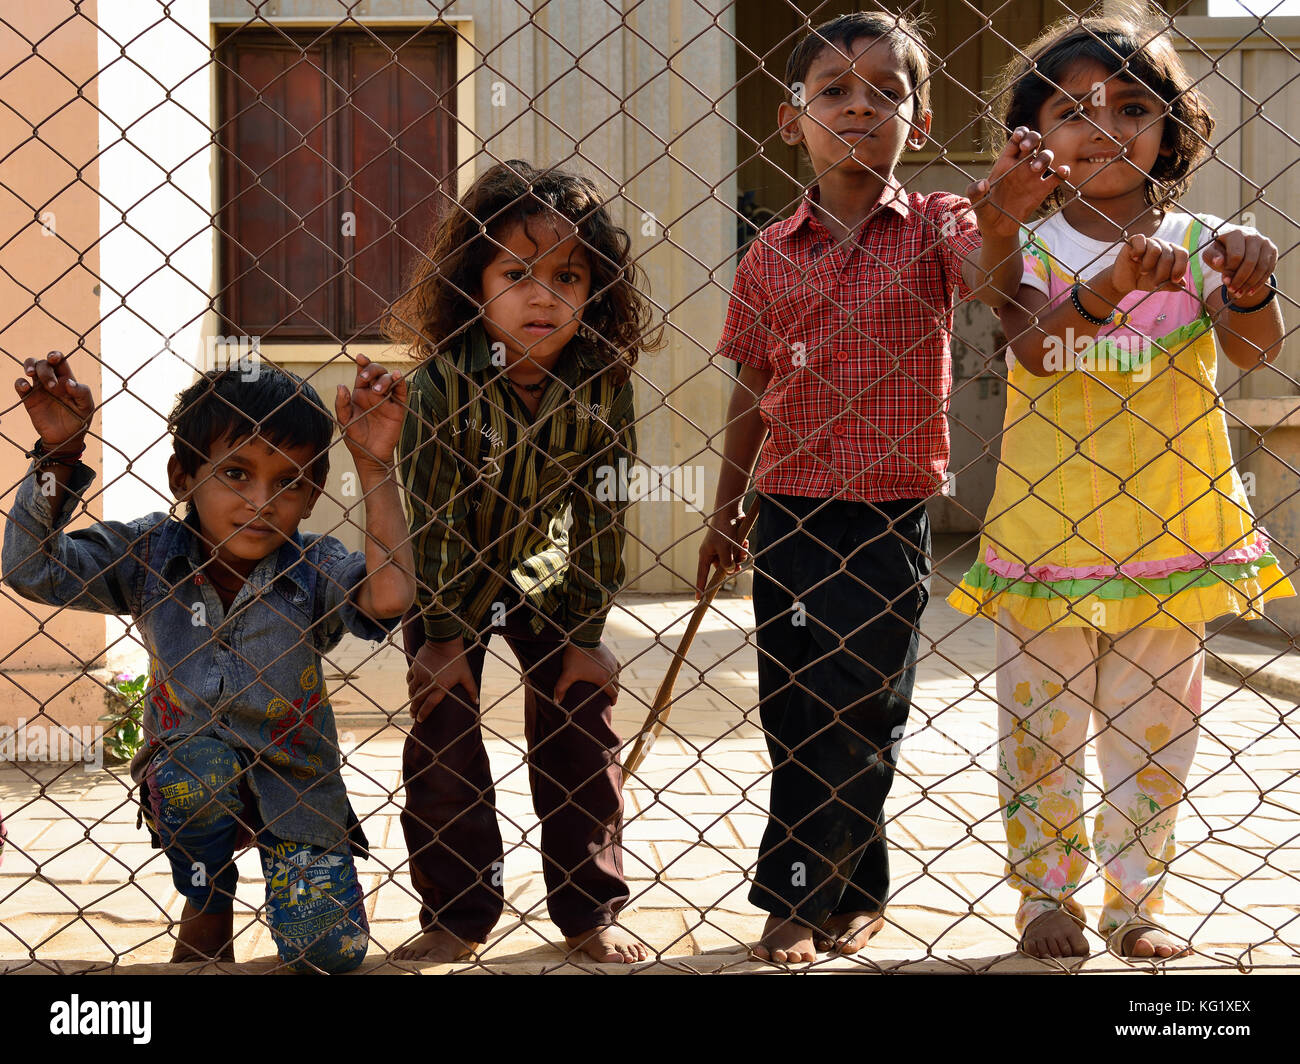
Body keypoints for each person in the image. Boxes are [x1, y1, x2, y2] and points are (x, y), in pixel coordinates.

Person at [696, 10, 1062, 965]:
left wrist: (1004, 218)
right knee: (795, 705)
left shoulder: (941, 222)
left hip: (890, 516)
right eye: (834, 91)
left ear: (921, 119)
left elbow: (990, 285)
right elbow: (750, 384)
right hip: (786, 510)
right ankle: (848, 882)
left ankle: (803, 894)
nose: (859, 107)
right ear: (792, 119)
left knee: (865, 703)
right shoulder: (770, 252)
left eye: (886, 93)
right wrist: (724, 509)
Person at [947, 10, 1294, 961]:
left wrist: (1254, 285)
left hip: (1170, 528)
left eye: (1132, 106)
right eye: (1073, 108)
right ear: (1034, 137)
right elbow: (1034, 348)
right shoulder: (1023, 240)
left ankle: (1136, 901)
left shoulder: (1204, 241)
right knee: (1041, 722)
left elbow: (1250, 350)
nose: (1103, 125)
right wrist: (1101, 293)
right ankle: (1044, 896)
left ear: (1171, 129)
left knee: (1156, 732)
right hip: (1048, 528)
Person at [2, 352, 413, 971]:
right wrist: (59, 454)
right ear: (183, 477)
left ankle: (290, 878)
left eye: (288, 483)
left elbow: (390, 597)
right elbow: (29, 569)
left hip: (296, 786)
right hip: (191, 772)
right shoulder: (146, 556)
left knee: (330, 958)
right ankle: (208, 895)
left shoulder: (315, 567)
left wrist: (376, 466)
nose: (261, 502)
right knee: (196, 767)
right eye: (236, 474)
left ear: (312, 495)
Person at [385, 160, 662, 964]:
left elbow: (604, 512)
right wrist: (439, 639)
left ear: (595, 291)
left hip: (548, 576)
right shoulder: (440, 385)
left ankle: (591, 910)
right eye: (517, 274)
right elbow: (433, 520)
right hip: (451, 580)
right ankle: (456, 912)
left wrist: (587, 630)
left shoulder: (602, 380)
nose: (543, 297)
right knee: (441, 732)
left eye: (567, 276)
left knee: (581, 725)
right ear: (475, 285)